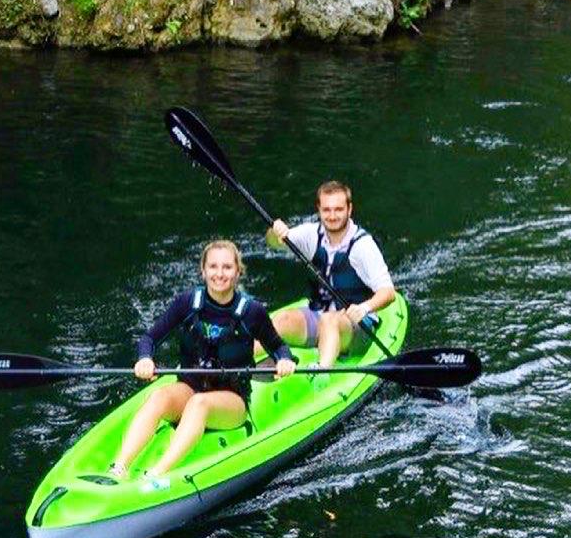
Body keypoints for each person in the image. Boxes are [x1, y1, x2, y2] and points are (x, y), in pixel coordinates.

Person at [110, 240, 295, 483]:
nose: (220, 274)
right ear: (203, 270)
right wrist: (145, 358)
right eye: (214, 267)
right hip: (190, 387)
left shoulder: (253, 312)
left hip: (232, 400)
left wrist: (284, 361)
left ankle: (156, 474)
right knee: (159, 396)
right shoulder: (186, 303)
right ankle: (119, 468)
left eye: (227, 267)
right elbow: (149, 338)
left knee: (200, 404)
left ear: (238, 271)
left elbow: (279, 347)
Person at [263, 181, 395, 368]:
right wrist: (275, 233)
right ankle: (232, 368)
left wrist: (364, 307)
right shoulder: (312, 234)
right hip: (319, 314)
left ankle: (322, 373)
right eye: (327, 210)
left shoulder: (363, 246)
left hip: (358, 325)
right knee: (279, 322)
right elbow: (275, 243)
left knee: (330, 321)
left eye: (338, 209)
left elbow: (388, 293)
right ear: (319, 209)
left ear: (350, 209)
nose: (332, 216)